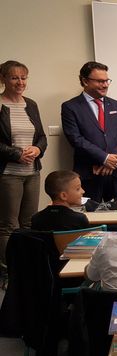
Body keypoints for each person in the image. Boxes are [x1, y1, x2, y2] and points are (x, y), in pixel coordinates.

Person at [61, 61, 117, 203]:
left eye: (106, 80)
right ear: (85, 81)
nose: (105, 85)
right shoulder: (70, 107)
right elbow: (76, 139)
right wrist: (104, 158)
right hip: (89, 172)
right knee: (92, 215)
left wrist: (112, 161)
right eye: (100, 81)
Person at [0, 60, 47, 268]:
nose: (20, 82)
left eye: (23, 77)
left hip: (32, 172)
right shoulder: (0, 104)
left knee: (29, 223)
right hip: (8, 173)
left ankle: (26, 268)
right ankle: (9, 269)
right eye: (14, 77)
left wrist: (37, 149)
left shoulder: (31, 104)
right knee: (9, 225)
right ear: (3, 79)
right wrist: (16, 154)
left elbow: (42, 137)